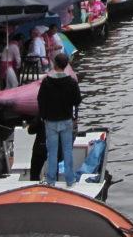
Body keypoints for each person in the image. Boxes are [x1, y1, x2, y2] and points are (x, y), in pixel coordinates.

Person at [37, 52, 81, 187]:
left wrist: (43, 116)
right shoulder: (71, 82)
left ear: (55, 64)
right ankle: (70, 179)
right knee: (67, 150)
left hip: (51, 121)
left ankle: (50, 181)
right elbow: (77, 100)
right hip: (66, 119)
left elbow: (40, 100)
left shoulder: (46, 82)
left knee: (52, 152)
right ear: (66, 65)